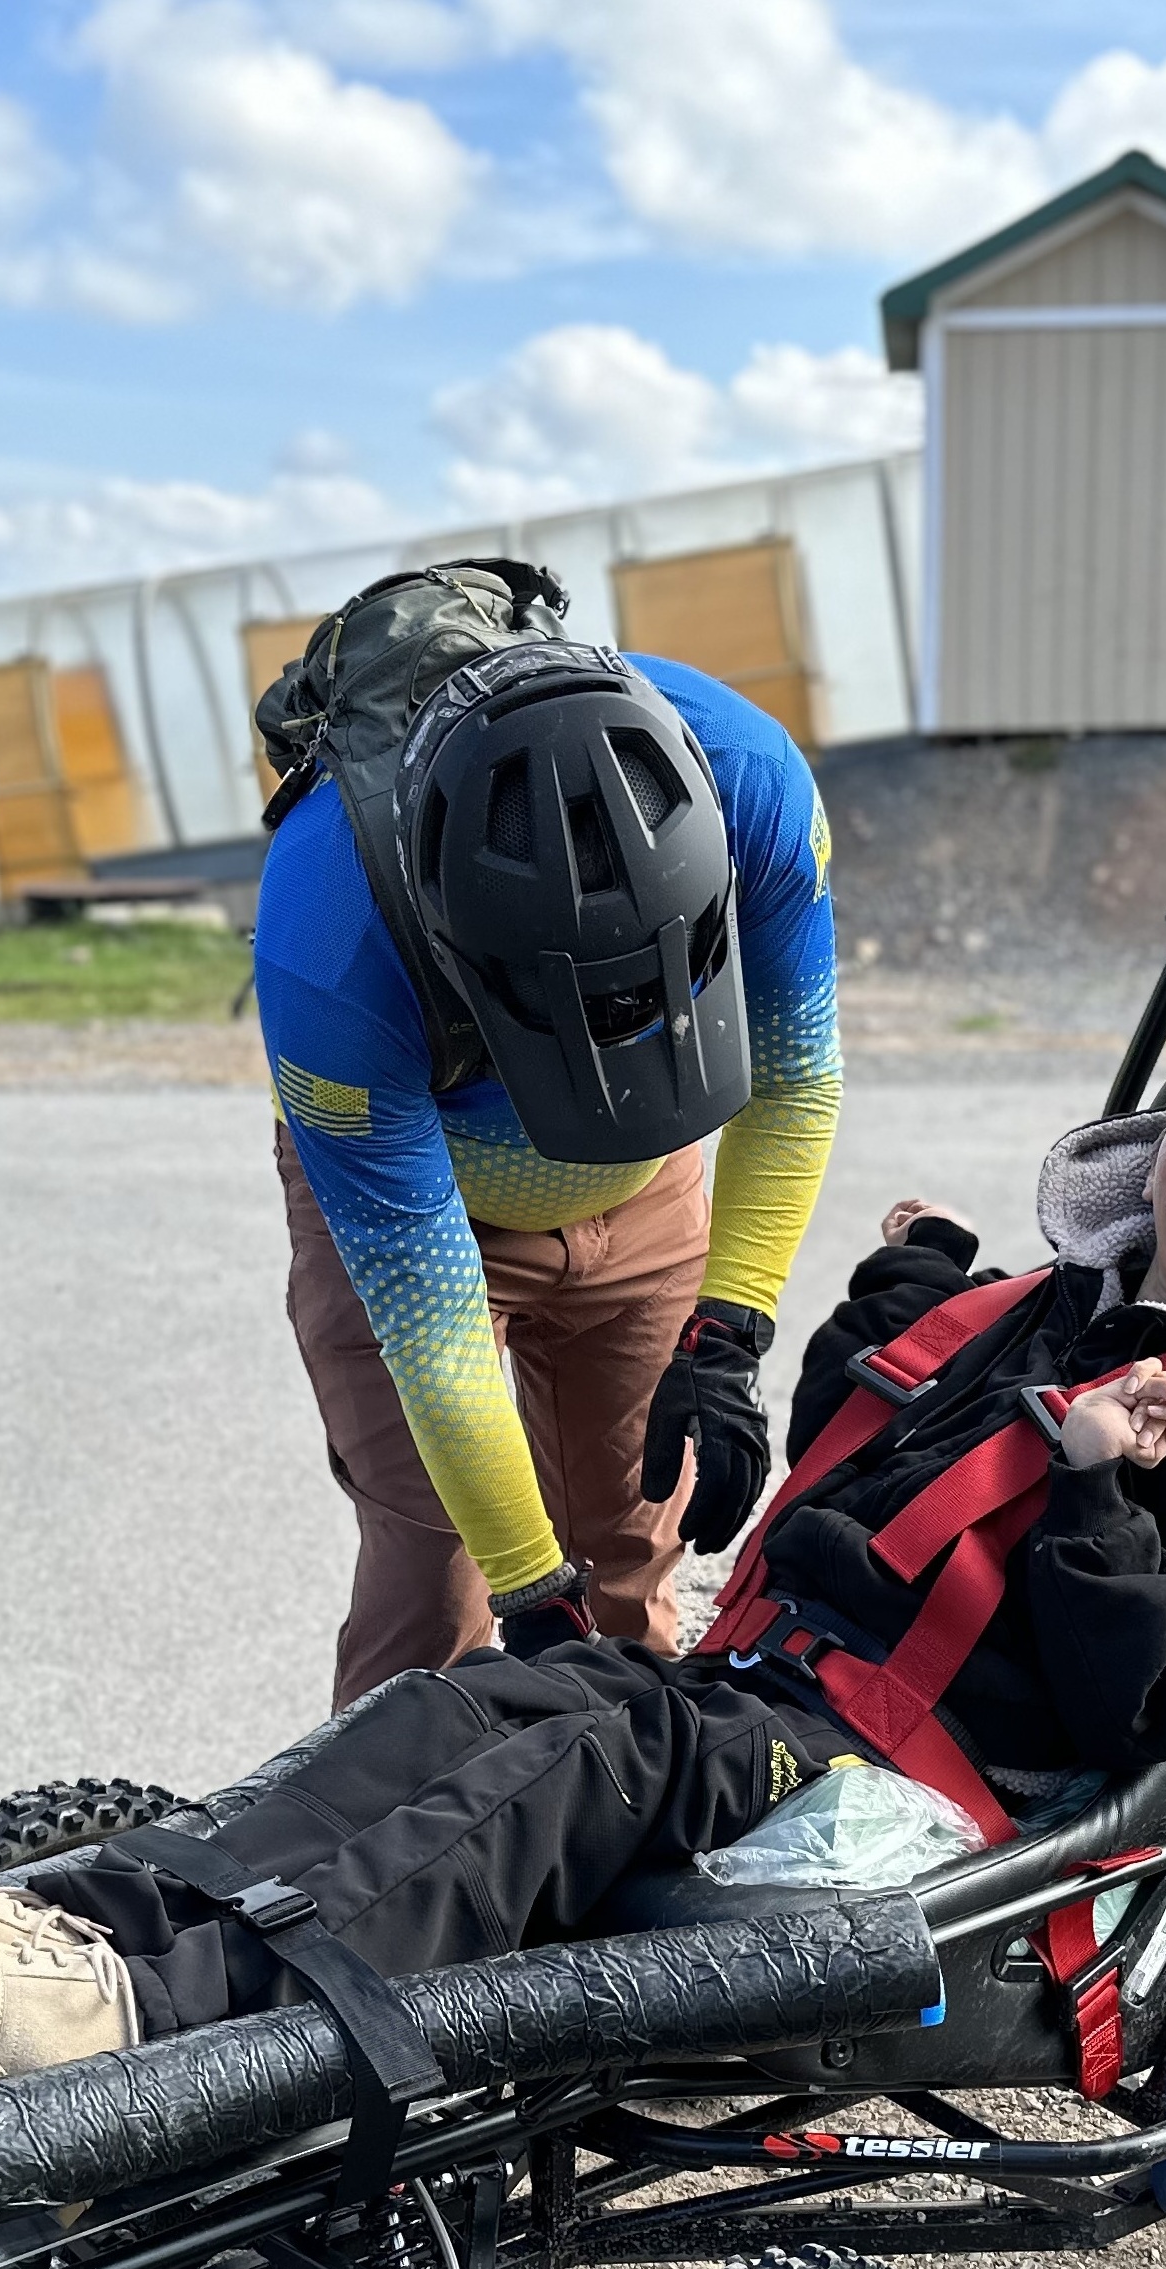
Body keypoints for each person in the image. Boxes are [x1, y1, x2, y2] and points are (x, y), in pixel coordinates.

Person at [0, 1010, 1166, 2086]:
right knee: (480, 1695)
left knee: (585, 1756)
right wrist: (900, 1309)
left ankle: (156, 2023)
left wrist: (1102, 1499)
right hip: (781, 1694)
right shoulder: (1052, 1318)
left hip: (939, 1797)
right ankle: (84, 1924)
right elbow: (859, 1479)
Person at [261, 629, 839, 1706]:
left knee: (632, 1543)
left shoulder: (752, 789)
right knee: (438, 1583)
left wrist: (728, 1335)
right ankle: (364, 1841)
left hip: (649, 1189)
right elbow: (433, 1337)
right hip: (434, 1207)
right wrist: (531, 1594)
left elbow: (796, 1079)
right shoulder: (326, 938)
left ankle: (620, 1825)